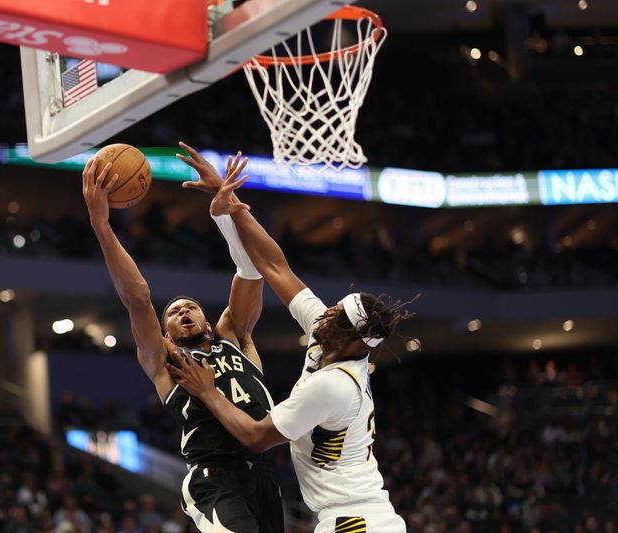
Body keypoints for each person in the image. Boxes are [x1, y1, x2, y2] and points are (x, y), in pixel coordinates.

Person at [168, 159, 415, 533]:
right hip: (355, 516)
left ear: (351, 339)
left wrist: (209, 392)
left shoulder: (334, 383)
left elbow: (256, 437)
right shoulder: (330, 336)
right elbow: (274, 267)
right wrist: (230, 208)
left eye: (337, 315)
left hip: (356, 521)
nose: (327, 312)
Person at [82, 147, 283, 533]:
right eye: (173, 313)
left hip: (263, 476)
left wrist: (225, 200)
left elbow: (252, 269)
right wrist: (102, 225)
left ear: (207, 317)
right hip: (214, 477)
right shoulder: (166, 361)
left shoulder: (236, 337)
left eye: (189, 307)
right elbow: (137, 298)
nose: (183, 312)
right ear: (166, 332)